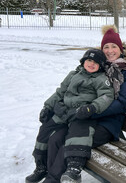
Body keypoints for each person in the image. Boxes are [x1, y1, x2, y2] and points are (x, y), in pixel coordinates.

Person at [37, 25, 126, 183]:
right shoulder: (96, 64)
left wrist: (90, 111)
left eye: (114, 46)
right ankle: (49, 175)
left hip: (107, 122)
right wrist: (57, 106)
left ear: (121, 49)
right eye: (106, 46)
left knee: (67, 144)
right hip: (81, 118)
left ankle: (52, 180)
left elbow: (121, 103)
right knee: (55, 138)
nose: (110, 50)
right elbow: (71, 87)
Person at [26, 48, 115, 183]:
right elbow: (60, 92)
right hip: (64, 111)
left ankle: (74, 167)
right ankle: (41, 166)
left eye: (96, 62)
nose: (91, 64)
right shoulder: (74, 75)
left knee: (78, 134)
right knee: (45, 130)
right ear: (83, 61)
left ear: (101, 65)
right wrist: (48, 106)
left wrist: (92, 107)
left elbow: (106, 96)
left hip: (81, 113)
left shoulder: (101, 79)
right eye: (89, 60)